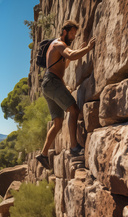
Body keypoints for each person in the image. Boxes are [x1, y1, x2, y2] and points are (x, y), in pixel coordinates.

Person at [36, 20, 96, 170]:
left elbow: (64, 64)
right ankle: (74, 148)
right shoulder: (58, 44)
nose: (73, 37)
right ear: (64, 32)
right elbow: (71, 54)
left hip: (49, 84)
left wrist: (78, 51)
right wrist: (88, 48)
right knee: (74, 110)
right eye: (71, 33)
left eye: (75, 34)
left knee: (57, 123)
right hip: (52, 82)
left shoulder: (57, 47)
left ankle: (43, 155)